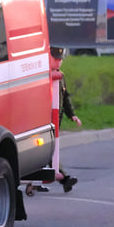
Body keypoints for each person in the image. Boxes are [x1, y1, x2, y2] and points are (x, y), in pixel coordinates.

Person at [48, 47, 80, 192]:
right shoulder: (43, 75)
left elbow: (65, 98)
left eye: (60, 59)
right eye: (56, 59)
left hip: (56, 119)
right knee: (49, 149)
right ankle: (64, 178)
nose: (59, 62)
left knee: (50, 149)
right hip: (45, 120)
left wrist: (71, 114)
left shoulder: (60, 76)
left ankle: (61, 178)